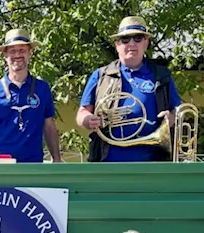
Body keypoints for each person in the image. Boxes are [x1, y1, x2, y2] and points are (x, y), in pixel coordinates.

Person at [75, 16, 184, 162]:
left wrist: (171, 118)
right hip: (109, 161)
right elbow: (82, 113)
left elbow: (179, 110)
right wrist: (88, 120)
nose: (132, 43)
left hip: (154, 162)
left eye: (138, 38)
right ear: (117, 44)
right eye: (125, 39)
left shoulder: (161, 75)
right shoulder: (100, 75)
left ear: (146, 42)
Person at [0, 29, 61, 163]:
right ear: (5, 55)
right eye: (12, 51)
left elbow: (49, 126)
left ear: (30, 53)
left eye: (22, 50)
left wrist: (57, 159)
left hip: (32, 164)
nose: (17, 55)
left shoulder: (42, 88)